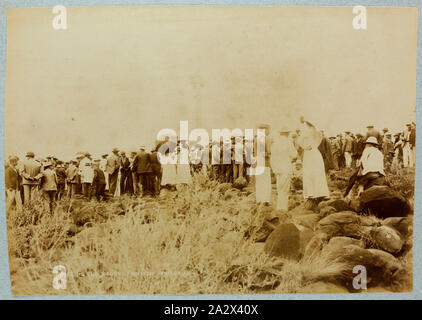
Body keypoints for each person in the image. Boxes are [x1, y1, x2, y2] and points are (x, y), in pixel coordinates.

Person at [297, 117, 330, 208]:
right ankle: (320, 192)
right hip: (316, 152)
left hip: (309, 153)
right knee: (318, 172)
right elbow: (319, 140)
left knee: (309, 172)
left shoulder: (306, 131)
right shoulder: (317, 131)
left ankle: (311, 193)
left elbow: (299, 141)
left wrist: (305, 146)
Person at [270, 127, 297, 211]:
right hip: (285, 168)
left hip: (277, 169)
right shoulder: (288, 142)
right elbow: (295, 155)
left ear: (280, 133)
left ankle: (279, 208)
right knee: (285, 190)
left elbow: (272, 158)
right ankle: (283, 209)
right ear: (287, 134)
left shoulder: (274, 143)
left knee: (279, 189)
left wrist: (274, 168)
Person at [254, 124, 272, 205]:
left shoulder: (256, 139)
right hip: (265, 163)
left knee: (259, 182)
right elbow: (269, 151)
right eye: (268, 129)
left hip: (258, 163)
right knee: (266, 182)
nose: (269, 131)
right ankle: (265, 200)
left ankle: (259, 200)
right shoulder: (266, 139)